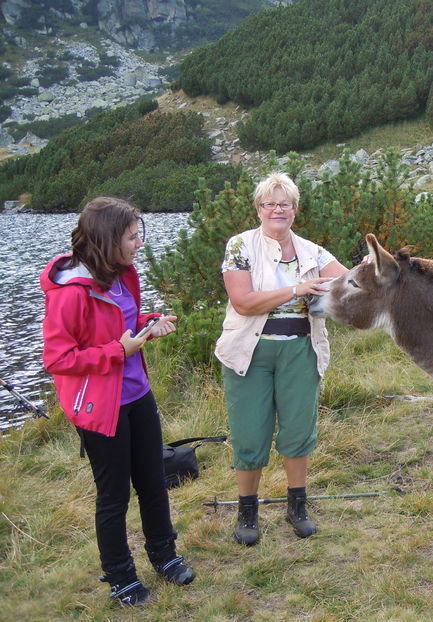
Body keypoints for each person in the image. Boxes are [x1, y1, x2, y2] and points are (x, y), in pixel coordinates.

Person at [40, 197, 195, 607]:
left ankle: (164, 556)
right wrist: (117, 352)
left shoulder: (125, 274)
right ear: (109, 239)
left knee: (153, 482)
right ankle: (121, 577)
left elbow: (125, 325)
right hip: (99, 406)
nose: (138, 243)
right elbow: (57, 359)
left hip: (137, 393)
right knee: (114, 497)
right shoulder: (71, 292)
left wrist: (147, 325)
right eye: (131, 236)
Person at [215, 171, 348, 545]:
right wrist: (297, 289)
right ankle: (248, 511)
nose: (278, 210)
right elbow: (242, 302)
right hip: (248, 354)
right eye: (270, 203)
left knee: (297, 430)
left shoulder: (313, 251)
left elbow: (351, 281)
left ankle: (297, 505)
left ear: (295, 209)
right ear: (258, 208)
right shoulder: (240, 246)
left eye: (285, 203)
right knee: (249, 431)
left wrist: (384, 269)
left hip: (301, 352)